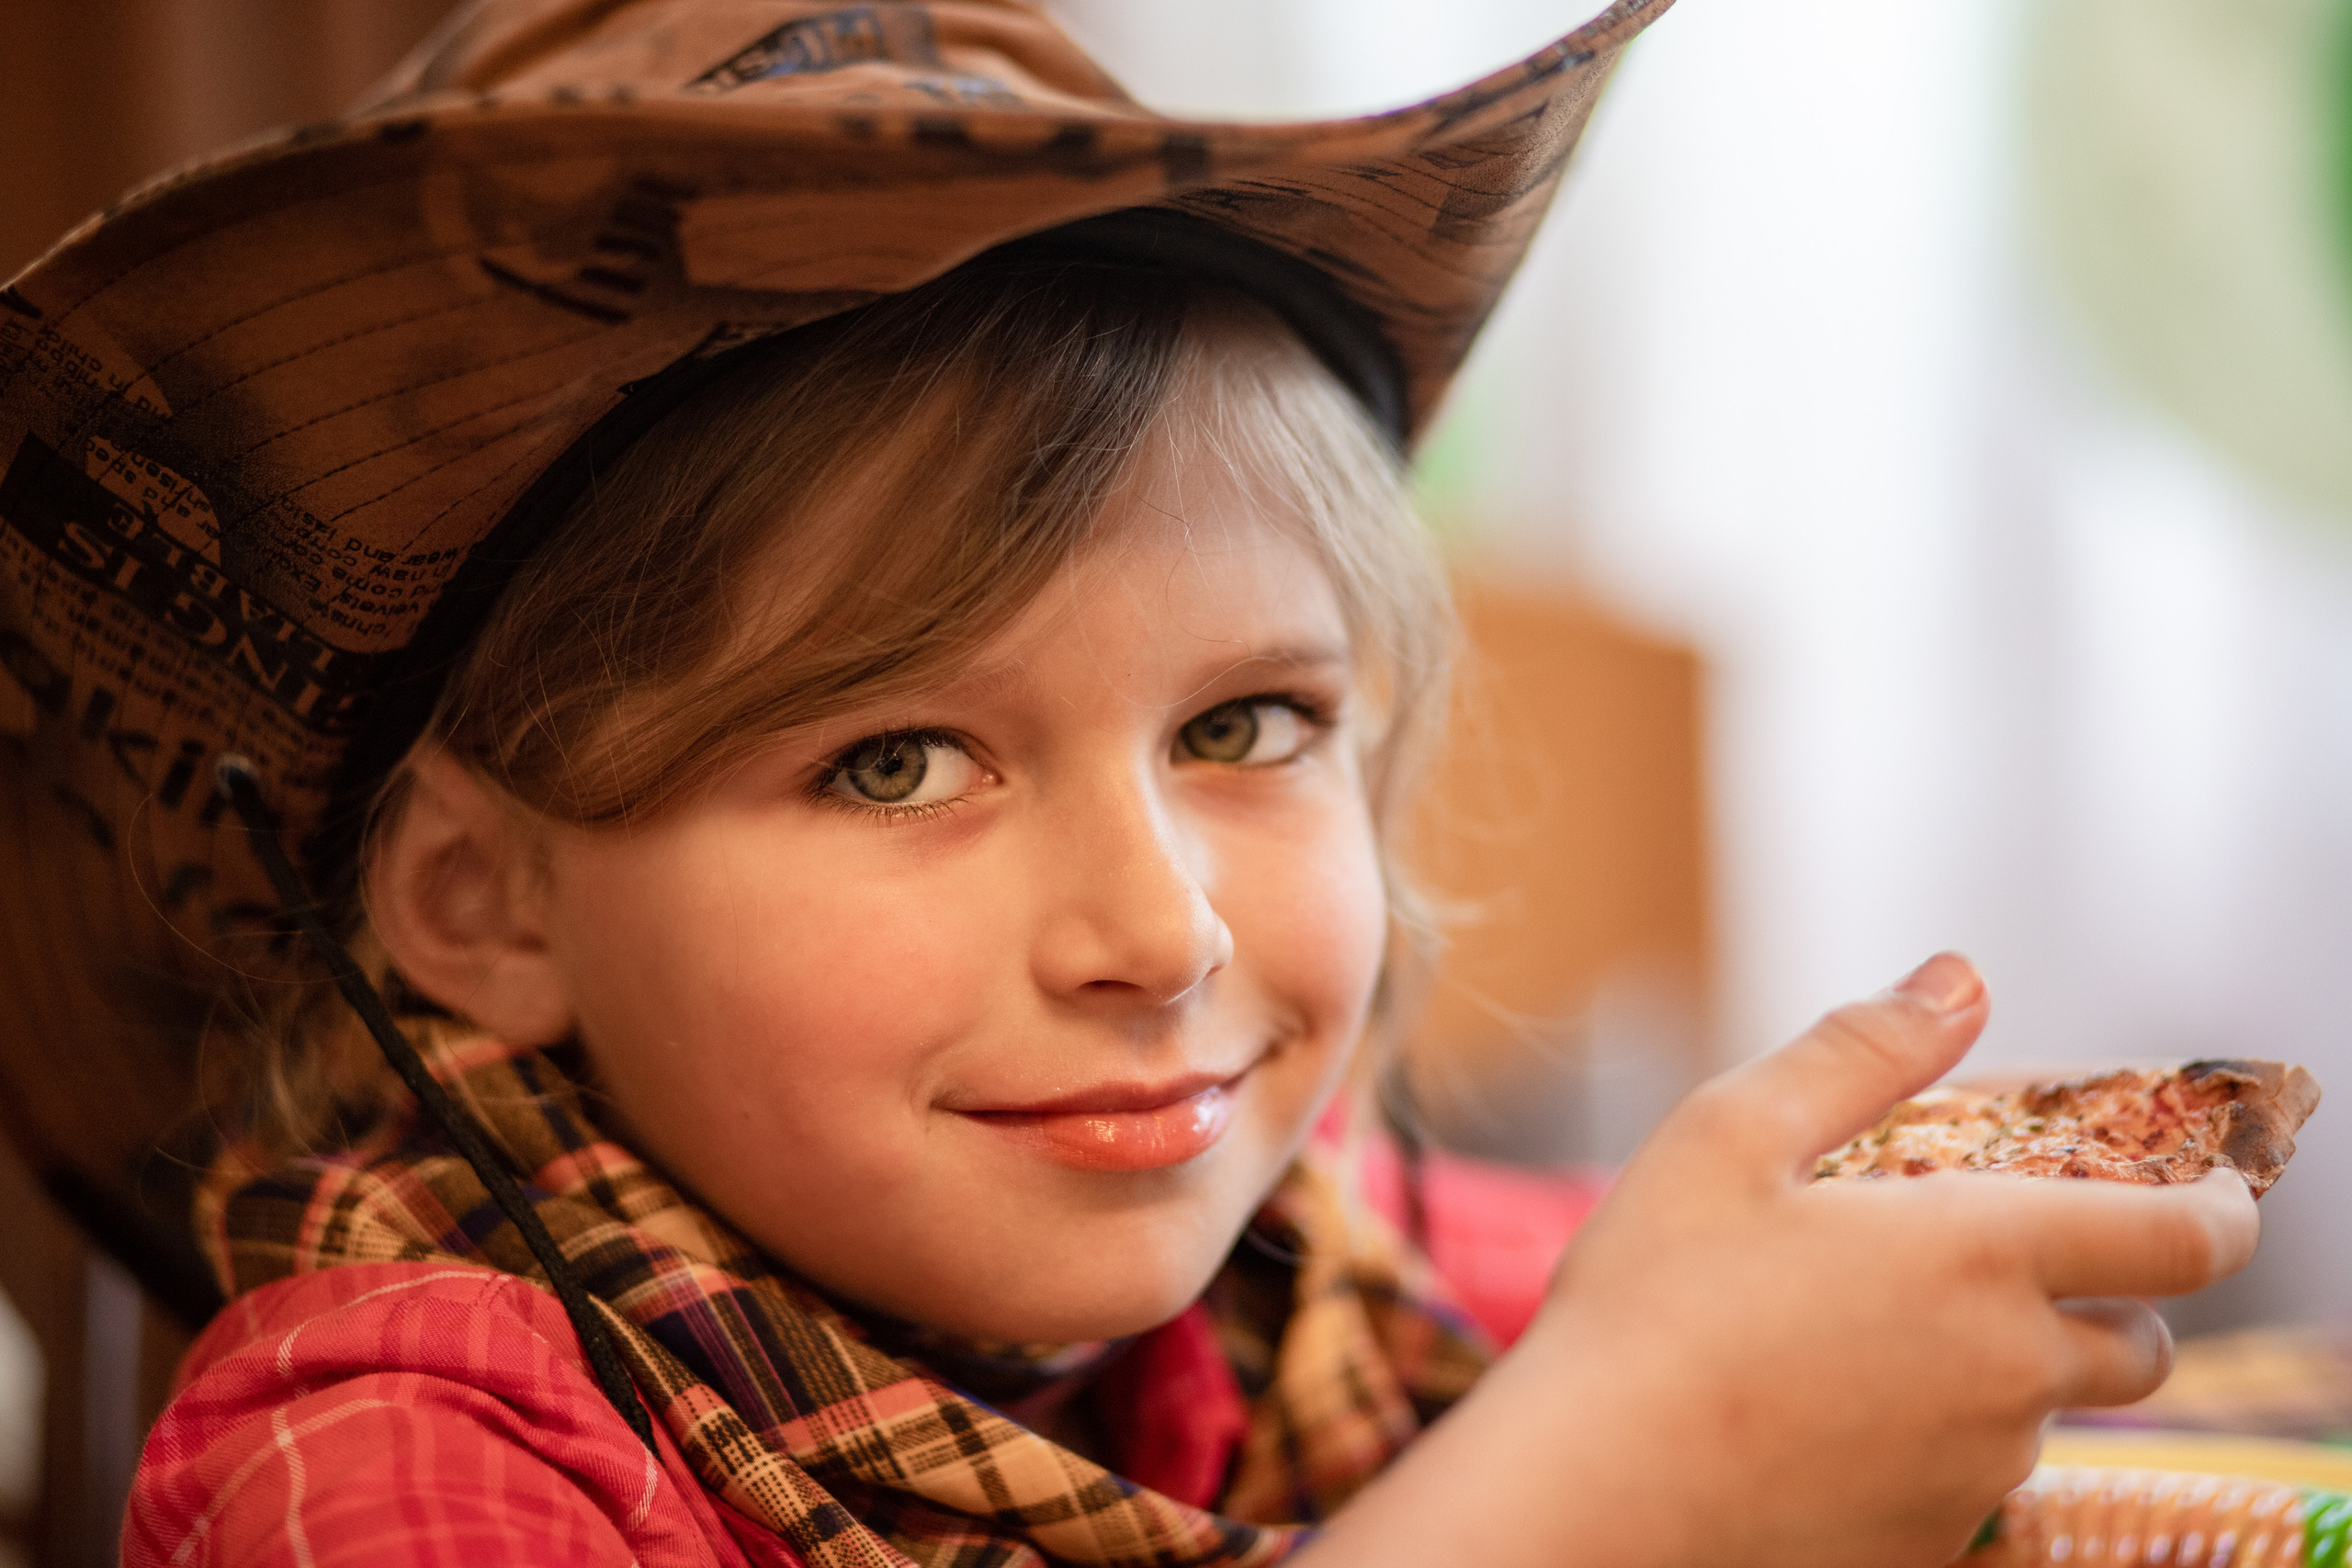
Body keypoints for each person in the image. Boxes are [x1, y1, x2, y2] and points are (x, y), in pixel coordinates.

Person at [0, 2, 2255, 1565]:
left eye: (1243, 725)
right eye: (895, 757)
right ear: (485, 903)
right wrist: (1594, 1493)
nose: (1158, 928)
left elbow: (1689, 1294)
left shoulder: (1306, 1273)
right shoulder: (388, 1448)